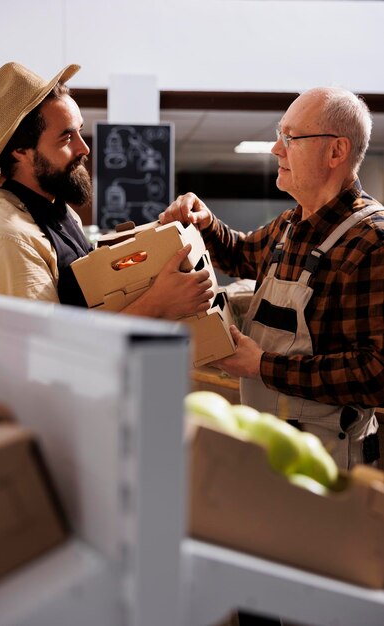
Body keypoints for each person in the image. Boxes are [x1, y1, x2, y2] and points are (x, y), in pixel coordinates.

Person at [159, 86, 384, 470]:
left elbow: (376, 372)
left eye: (290, 138)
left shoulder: (373, 242)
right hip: (269, 444)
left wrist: (261, 365)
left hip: (333, 462)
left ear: (336, 151)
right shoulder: (292, 223)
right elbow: (243, 254)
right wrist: (205, 222)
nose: (276, 149)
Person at [0, 62, 213, 319]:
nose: (84, 148)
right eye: (66, 137)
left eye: (80, 132)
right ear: (21, 151)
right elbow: (45, 352)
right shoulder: (9, 238)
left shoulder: (59, 211)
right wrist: (157, 304)